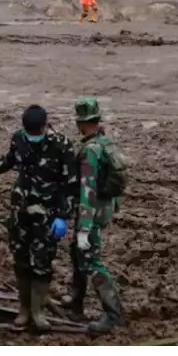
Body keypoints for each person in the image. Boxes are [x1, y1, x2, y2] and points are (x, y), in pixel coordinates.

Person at [0, 105, 77, 331]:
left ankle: (38, 311)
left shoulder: (61, 145)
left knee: (42, 263)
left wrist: (63, 216)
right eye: (28, 135)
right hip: (20, 211)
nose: (31, 138)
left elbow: (70, 185)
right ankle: (24, 310)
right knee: (21, 260)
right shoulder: (19, 139)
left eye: (35, 134)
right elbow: (8, 161)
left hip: (47, 214)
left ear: (45, 126)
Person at [61, 97, 126, 335]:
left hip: (93, 211)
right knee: (77, 252)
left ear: (81, 123)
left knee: (91, 258)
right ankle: (76, 300)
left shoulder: (90, 151)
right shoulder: (105, 142)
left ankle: (113, 313)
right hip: (104, 207)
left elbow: (87, 189)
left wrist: (85, 229)